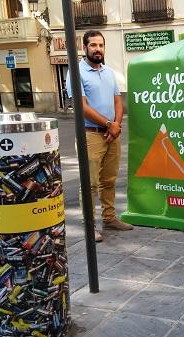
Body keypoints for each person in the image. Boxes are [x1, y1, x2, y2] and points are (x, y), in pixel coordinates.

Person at [66, 30, 133, 242]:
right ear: (85, 48)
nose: (98, 49)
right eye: (93, 45)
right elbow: (81, 106)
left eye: (101, 45)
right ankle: (89, 226)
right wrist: (107, 124)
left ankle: (110, 218)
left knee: (109, 180)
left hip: (111, 134)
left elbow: (117, 101)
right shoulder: (76, 73)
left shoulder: (109, 72)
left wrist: (116, 125)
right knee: (90, 183)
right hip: (91, 135)